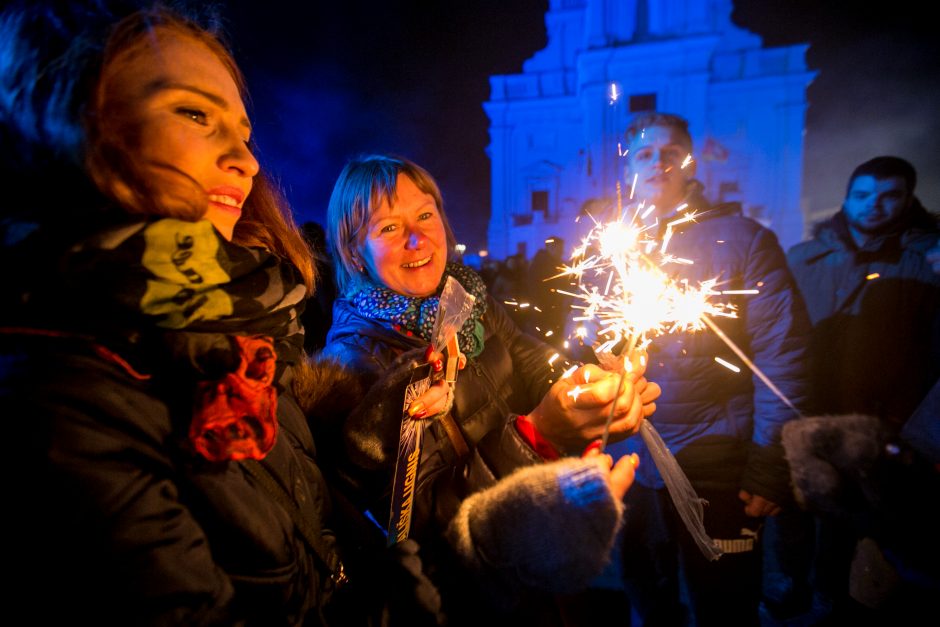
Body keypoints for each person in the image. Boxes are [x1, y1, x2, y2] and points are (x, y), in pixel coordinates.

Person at [0, 4, 444, 624]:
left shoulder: (246, 330)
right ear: (70, 121)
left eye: (242, 131)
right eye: (192, 113)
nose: (247, 161)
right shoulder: (66, 395)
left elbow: (307, 524)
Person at [319, 153, 661, 623]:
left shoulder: (466, 302)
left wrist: (590, 393)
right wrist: (537, 433)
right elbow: (419, 529)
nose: (418, 238)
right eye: (388, 229)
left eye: (424, 214)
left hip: (530, 562)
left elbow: (533, 363)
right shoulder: (353, 366)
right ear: (355, 253)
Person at [605, 112, 810, 626]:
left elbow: (782, 355)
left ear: (688, 162)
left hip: (715, 456)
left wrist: (772, 460)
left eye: (669, 152)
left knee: (723, 602)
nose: (658, 162)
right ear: (628, 164)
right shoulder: (612, 248)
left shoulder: (742, 239)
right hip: (632, 456)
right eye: (645, 153)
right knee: (647, 597)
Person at [785, 155, 940, 621]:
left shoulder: (926, 262)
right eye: (864, 194)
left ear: (909, 198)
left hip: (885, 425)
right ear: (847, 197)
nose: (875, 206)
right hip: (804, 411)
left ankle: (843, 602)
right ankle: (798, 591)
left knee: (866, 534)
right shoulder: (805, 258)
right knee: (801, 521)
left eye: (889, 195)